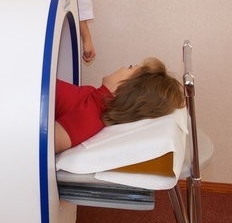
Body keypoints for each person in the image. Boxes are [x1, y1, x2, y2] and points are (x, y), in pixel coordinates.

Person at [54, 58, 185, 153]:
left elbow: (46, 142)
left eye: (130, 67)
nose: (123, 67)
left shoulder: (90, 117)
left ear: (126, 88)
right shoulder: (94, 100)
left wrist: (100, 97)